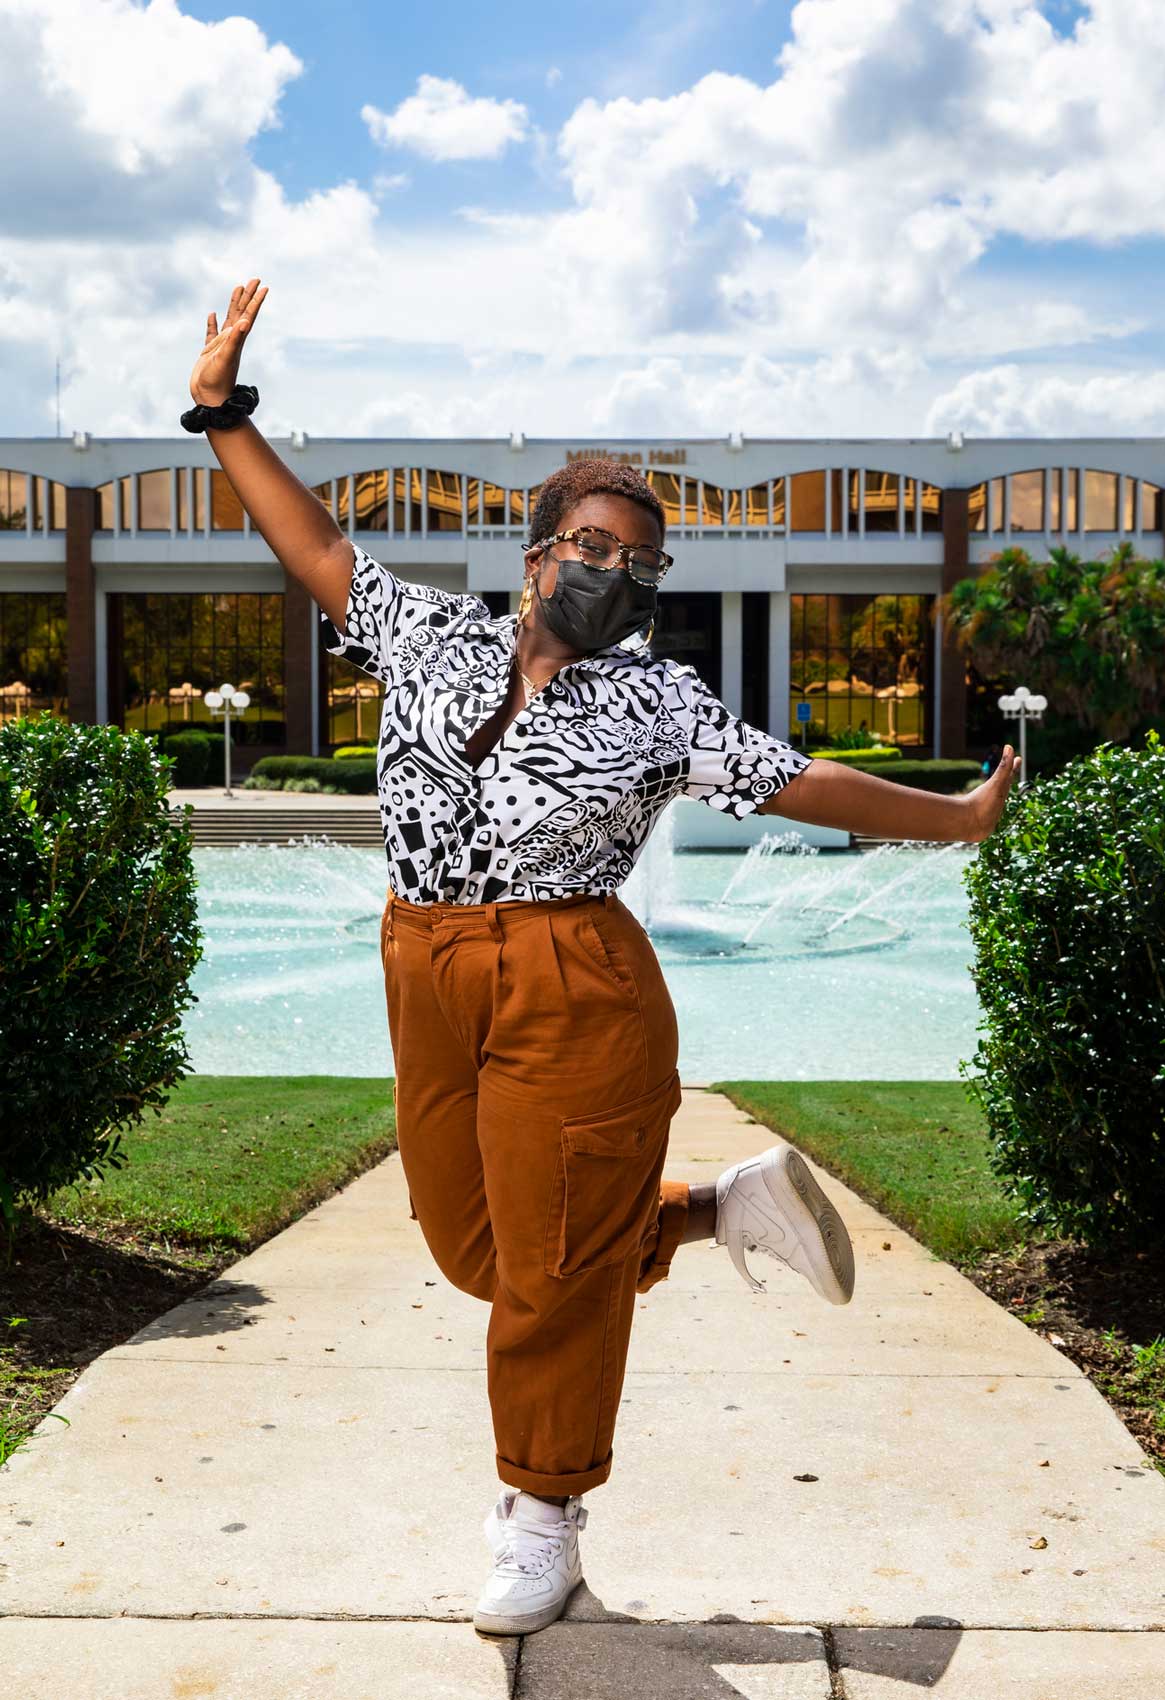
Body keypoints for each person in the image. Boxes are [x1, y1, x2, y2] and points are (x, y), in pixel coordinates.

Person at [186, 278, 1023, 1638]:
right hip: (427, 965)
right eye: (591, 543)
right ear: (536, 552)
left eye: (639, 562)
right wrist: (220, 413)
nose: (614, 572)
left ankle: (542, 1515)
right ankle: (715, 1208)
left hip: (576, 985)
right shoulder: (432, 632)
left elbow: (800, 779)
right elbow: (314, 545)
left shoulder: (658, 700)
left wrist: (953, 817)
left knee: (551, 1280)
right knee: (480, 1248)